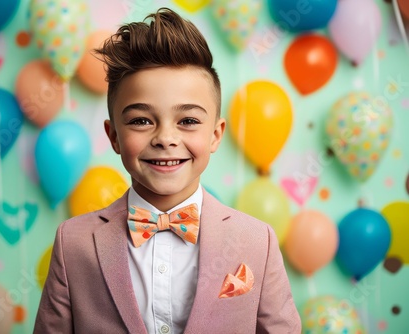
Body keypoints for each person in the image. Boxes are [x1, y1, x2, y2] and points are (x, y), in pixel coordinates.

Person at [34, 7, 301, 334]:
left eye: (188, 121)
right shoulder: (73, 243)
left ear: (215, 135)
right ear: (114, 136)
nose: (165, 138)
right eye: (141, 121)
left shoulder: (258, 241)